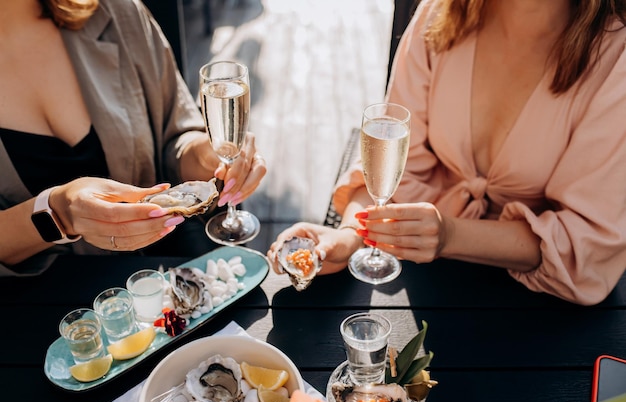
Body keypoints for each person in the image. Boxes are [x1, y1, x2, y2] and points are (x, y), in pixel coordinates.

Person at [268, 0, 626, 306]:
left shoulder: (617, 57)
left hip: (544, 305)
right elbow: (393, 166)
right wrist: (346, 237)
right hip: (421, 279)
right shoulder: (441, 12)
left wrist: (451, 235)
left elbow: (586, 240)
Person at [0, 0, 266, 276]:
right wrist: (57, 215)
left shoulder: (115, 12)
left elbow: (175, 134)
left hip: (174, 274)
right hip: (47, 305)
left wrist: (205, 156)